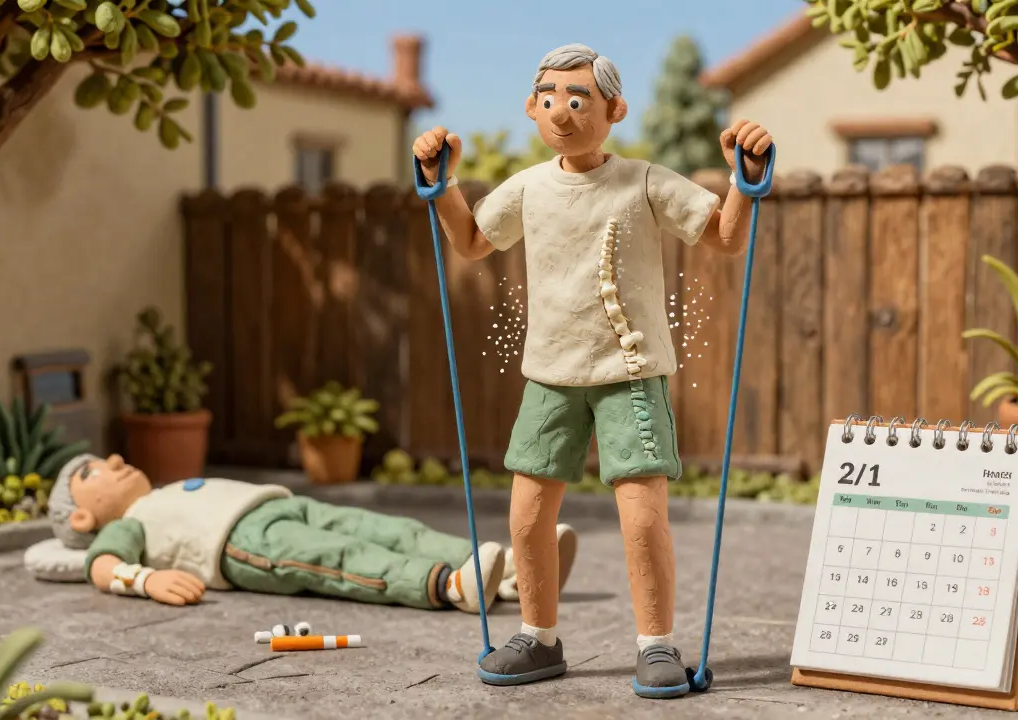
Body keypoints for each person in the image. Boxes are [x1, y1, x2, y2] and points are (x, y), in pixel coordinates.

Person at [410, 43, 773, 697]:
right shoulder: (526, 189)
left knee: (641, 517)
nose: (561, 111)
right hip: (550, 377)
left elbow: (723, 236)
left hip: (631, 374)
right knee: (525, 516)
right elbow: (468, 244)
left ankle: (656, 646)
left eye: (578, 99)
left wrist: (746, 181)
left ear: (614, 109)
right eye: (549, 97)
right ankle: (539, 637)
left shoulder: (643, 181)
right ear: (530, 107)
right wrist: (442, 185)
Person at [47, 453, 577, 613]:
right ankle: (448, 585)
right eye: (90, 472)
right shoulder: (129, 524)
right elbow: (102, 566)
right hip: (245, 546)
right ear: (80, 518)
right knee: (340, 557)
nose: (112, 458)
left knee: (384, 526)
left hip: (281, 506)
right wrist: (146, 581)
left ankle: (511, 570)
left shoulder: (159, 489)